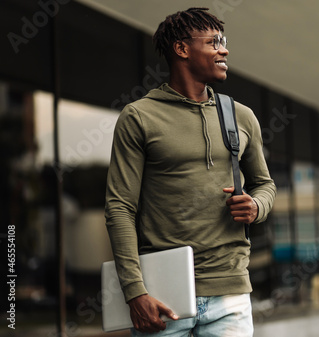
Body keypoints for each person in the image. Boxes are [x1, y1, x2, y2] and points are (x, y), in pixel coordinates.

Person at [104, 7, 276, 336]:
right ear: (182, 49)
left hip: (230, 294)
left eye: (223, 42)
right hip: (162, 295)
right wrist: (135, 292)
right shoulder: (139, 117)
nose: (224, 50)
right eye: (213, 42)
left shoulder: (241, 116)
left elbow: (265, 184)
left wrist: (256, 206)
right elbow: (120, 207)